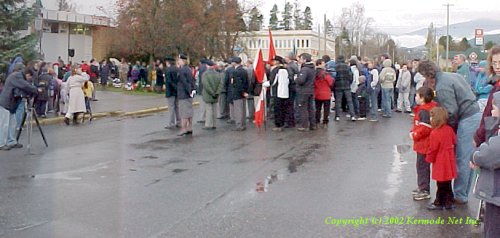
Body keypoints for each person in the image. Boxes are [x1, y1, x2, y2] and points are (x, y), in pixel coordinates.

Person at [418, 60, 481, 205]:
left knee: (463, 159)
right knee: (466, 156)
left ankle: (460, 195)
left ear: (428, 75)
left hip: (467, 117)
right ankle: (461, 192)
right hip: (473, 113)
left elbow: (451, 112)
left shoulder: (442, 87)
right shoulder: (452, 75)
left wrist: (445, 131)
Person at [470, 91, 500, 238]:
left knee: (493, 228)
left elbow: (489, 154)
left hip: (497, 193)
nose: (492, 111)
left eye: (495, 108)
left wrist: (474, 156)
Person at [425, 107, 457, 210]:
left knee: (441, 184)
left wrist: (429, 159)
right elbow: (454, 141)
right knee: (447, 183)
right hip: (449, 160)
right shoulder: (449, 129)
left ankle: (439, 202)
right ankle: (449, 202)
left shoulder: (435, 133)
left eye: (431, 116)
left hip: (440, 161)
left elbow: (433, 149)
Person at [0, 66, 39, 150]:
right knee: (4, 124)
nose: (29, 79)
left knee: (12, 124)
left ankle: (11, 141)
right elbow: (25, 86)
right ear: (27, 74)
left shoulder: (17, 77)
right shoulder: (17, 77)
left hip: (11, 104)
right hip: (6, 102)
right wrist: (36, 90)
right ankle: (1, 143)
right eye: (30, 77)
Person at [409, 87, 438, 201]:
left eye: (417, 96)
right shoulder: (430, 108)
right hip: (426, 144)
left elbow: (425, 128)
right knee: (422, 166)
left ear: (422, 98)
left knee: (422, 167)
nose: (415, 98)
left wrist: (414, 134)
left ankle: (424, 189)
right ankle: (422, 187)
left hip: (423, 144)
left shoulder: (423, 111)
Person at [475, 46, 500, 147]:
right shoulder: (496, 84)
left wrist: (478, 137)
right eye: (494, 63)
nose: (497, 66)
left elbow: (489, 114)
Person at [266, 56, 289, 132]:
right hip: (285, 92)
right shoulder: (285, 69)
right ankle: (283, 123)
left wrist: (263, 84)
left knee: (277, 110)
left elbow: (272, 82)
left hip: (277, 92)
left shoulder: (275, 70)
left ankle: (278, 125)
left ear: (277, 62)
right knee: (283, 109)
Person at [296, 53, 317, 131]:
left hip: (303, 91)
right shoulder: (312, 68)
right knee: (310, 108)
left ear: (304, 60)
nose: (299, 60)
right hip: (310, 90)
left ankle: (304, 126)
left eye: (300, 59)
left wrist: (296, 78)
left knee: (303, 108)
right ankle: (313, 124)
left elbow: (301, 80)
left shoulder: (305, 69)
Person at [176, 54, 195, 136]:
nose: (178, 62)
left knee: (183, 113)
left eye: (179, 60)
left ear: (182, 61)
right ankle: (190, 127)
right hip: (189, 94)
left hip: (184, 94)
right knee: (189, 112)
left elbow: (184, 82)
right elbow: (192, 81)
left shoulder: (182, 70)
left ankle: (184, 129)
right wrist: (192, 91)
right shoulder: (189, 69)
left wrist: (189, 91)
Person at [201, 61, 224, 130]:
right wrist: (217, 92)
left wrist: (212, 92)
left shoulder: (205, 74)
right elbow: (221, 84)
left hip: (208, 94)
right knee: (214, 109)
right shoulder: (218, 74)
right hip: (216, 94)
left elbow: (206, 85)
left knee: (209, 109)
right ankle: (214, 123)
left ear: (207, 66)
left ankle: (208, 124)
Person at [333, 55, 355, 122]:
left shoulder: (335, 67)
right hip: (346, 86)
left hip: (338, 86)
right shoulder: (347, 67)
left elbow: (334, 77)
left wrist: (334, 85)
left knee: (338, 102)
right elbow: (351, 76)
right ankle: (352, 116)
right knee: (349, 101)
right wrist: (349, 83)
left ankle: (337, 116)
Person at [230, 57, 249, 131]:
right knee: (243, 109)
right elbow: (246, 82)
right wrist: (245, 91)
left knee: (238, 110)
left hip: (237, 93)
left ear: (235, 62)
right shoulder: (244, 70)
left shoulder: (235, 71)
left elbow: (237, 83)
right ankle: (243, 124)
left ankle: (239, 125)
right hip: (243, 92)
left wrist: (242, 91)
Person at [314, 59, 334, 127]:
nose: (324, 65)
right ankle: (325, 121)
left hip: (317, 93)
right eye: (323, 63)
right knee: (326, 109)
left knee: (318, 108)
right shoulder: (325, 74)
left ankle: (317, 120)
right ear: (319, 64)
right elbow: (330, 82)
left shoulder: (314, 73)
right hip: (326, 93)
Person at [164, 57, 180, 129]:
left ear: (168, 63)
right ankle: (179, 121)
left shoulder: (168, 70)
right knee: (177, 107)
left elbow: (169, 81)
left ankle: (172, 123)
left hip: (170, 91)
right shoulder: (177, 69)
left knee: (171, 107)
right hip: (177, 91)